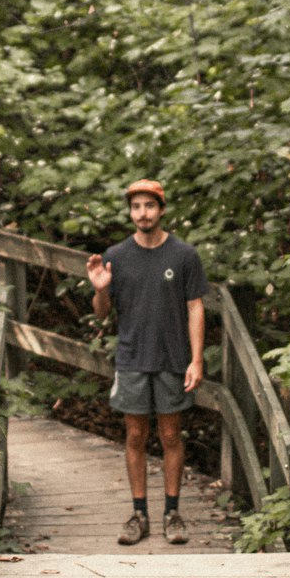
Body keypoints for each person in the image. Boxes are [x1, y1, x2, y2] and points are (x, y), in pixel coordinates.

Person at [86, 178, 208, 546]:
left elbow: (195, 307)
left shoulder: (184, 255)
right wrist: (100, 289)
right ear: (130, 212)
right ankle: (139, 513)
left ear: (162, 209)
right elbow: (103, 315)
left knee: (171, 435)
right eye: (136, 207)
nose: (142, 213)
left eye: (149, 206)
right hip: (132, 358)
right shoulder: (117, 256)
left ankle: (172, 512)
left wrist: (196, 360)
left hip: (172, 358)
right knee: (135, 435)